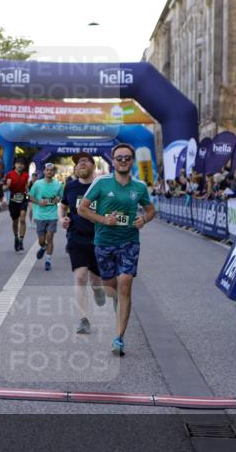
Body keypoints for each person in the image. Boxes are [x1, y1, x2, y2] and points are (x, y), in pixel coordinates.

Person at [77, 142, 155, 356]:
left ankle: (119, 338)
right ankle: (113, 299)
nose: (123, 161)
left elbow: (150, 210)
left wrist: (144, 220)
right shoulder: (101, 183)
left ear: (132, 161)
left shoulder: (139, 187)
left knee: (125, 283)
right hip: (104, 243)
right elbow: (82, 209)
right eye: (119, 157)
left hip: (129, 242)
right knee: (111, 286)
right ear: (113, 161)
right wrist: (103, 219)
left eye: (127, 157)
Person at [59, 152, 106, 334]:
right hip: (76, 236)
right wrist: (62, 219)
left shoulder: (102, 186)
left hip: (98, 238)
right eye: (78, 163)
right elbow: (63, 206)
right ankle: (83, 319)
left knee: (96, 280)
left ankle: (98, 289)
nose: (80, 164)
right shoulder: (70, 186)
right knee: (80, 277)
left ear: (93, 166)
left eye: (85, 161)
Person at [28, 162, 64, 271]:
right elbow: (30, 196)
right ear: (44, 171)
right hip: (39, 215)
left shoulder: (58, 185)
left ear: (54, 172)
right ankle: (43, 247)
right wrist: (39, 202)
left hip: (52, 215)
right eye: (47, 170)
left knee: (50, 238)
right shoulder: (38, 184)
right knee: (41, 240)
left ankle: (48, 260)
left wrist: (58, 199)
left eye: (51, 170)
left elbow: (61, 198)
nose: (49, 172)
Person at [4, 157, 30, 252]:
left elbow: (27, 189)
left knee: (22, 219)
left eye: (22, 164)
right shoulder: (9, 175)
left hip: (23, 199)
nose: (20, 165)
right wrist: (7, 185)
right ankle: (16, 237)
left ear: (24, 166)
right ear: (15, 165)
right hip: (13, 200)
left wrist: (27, 199)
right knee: (15, 222)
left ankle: (21, 240)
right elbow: (3, 188)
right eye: (18, 163)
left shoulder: (26, 175)